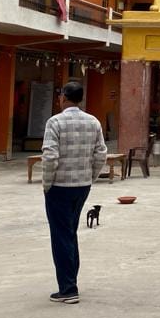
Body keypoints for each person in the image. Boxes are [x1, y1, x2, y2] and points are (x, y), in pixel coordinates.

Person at [41, 80, 107, 304]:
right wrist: (90, 177)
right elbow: (101, 154)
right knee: (69, 233)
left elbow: (50, 156)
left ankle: (68, 288)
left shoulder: (55, 122)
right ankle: (70, 282)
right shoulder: (93, 122)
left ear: (63, 97)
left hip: (59, 186)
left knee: (61, 236)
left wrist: (47, 183)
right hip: (82, 186)